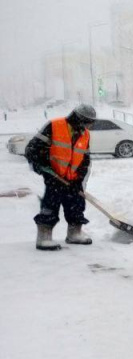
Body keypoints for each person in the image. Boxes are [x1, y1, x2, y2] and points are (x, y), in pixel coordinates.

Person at [25, 104, 96, 250]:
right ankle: (44, 237)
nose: (88, 126)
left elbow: (84, 159)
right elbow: (32, 149)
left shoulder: (85, 134)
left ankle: (74, 234)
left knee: (76, 205)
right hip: (54, 177)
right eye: (87, 122)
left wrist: (79, 179)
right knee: (51, 205)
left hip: (72, 179)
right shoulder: (54, 126)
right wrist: (45, 170)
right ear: (78, 119)